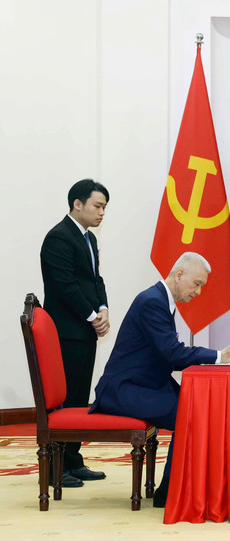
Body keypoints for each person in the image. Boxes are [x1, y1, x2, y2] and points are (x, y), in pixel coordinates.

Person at [90, 252, 230, 507]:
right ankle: (171, 492)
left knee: (198, 406)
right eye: (197, 284)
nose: (198, 292)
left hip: (146, 383)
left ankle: (188, 485)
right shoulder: (152, 301)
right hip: (123, 389)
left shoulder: (159, 300)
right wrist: (218, 356)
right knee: (189, 414)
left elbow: (169, 355)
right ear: (179, 274)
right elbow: (172, 352)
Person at [40, 179, 111, 487]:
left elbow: (95, 279)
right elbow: (64, 286)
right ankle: (57, 467)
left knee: (79, 398)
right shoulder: (59, 237)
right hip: (66, 332)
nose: (102, 213)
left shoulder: (88, 238)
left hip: (84, 331)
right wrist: (92, 315)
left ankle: (73, 459)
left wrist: (104, 307)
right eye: (98, 206)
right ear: (77, 204)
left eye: (105, 208)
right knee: (63, 400)